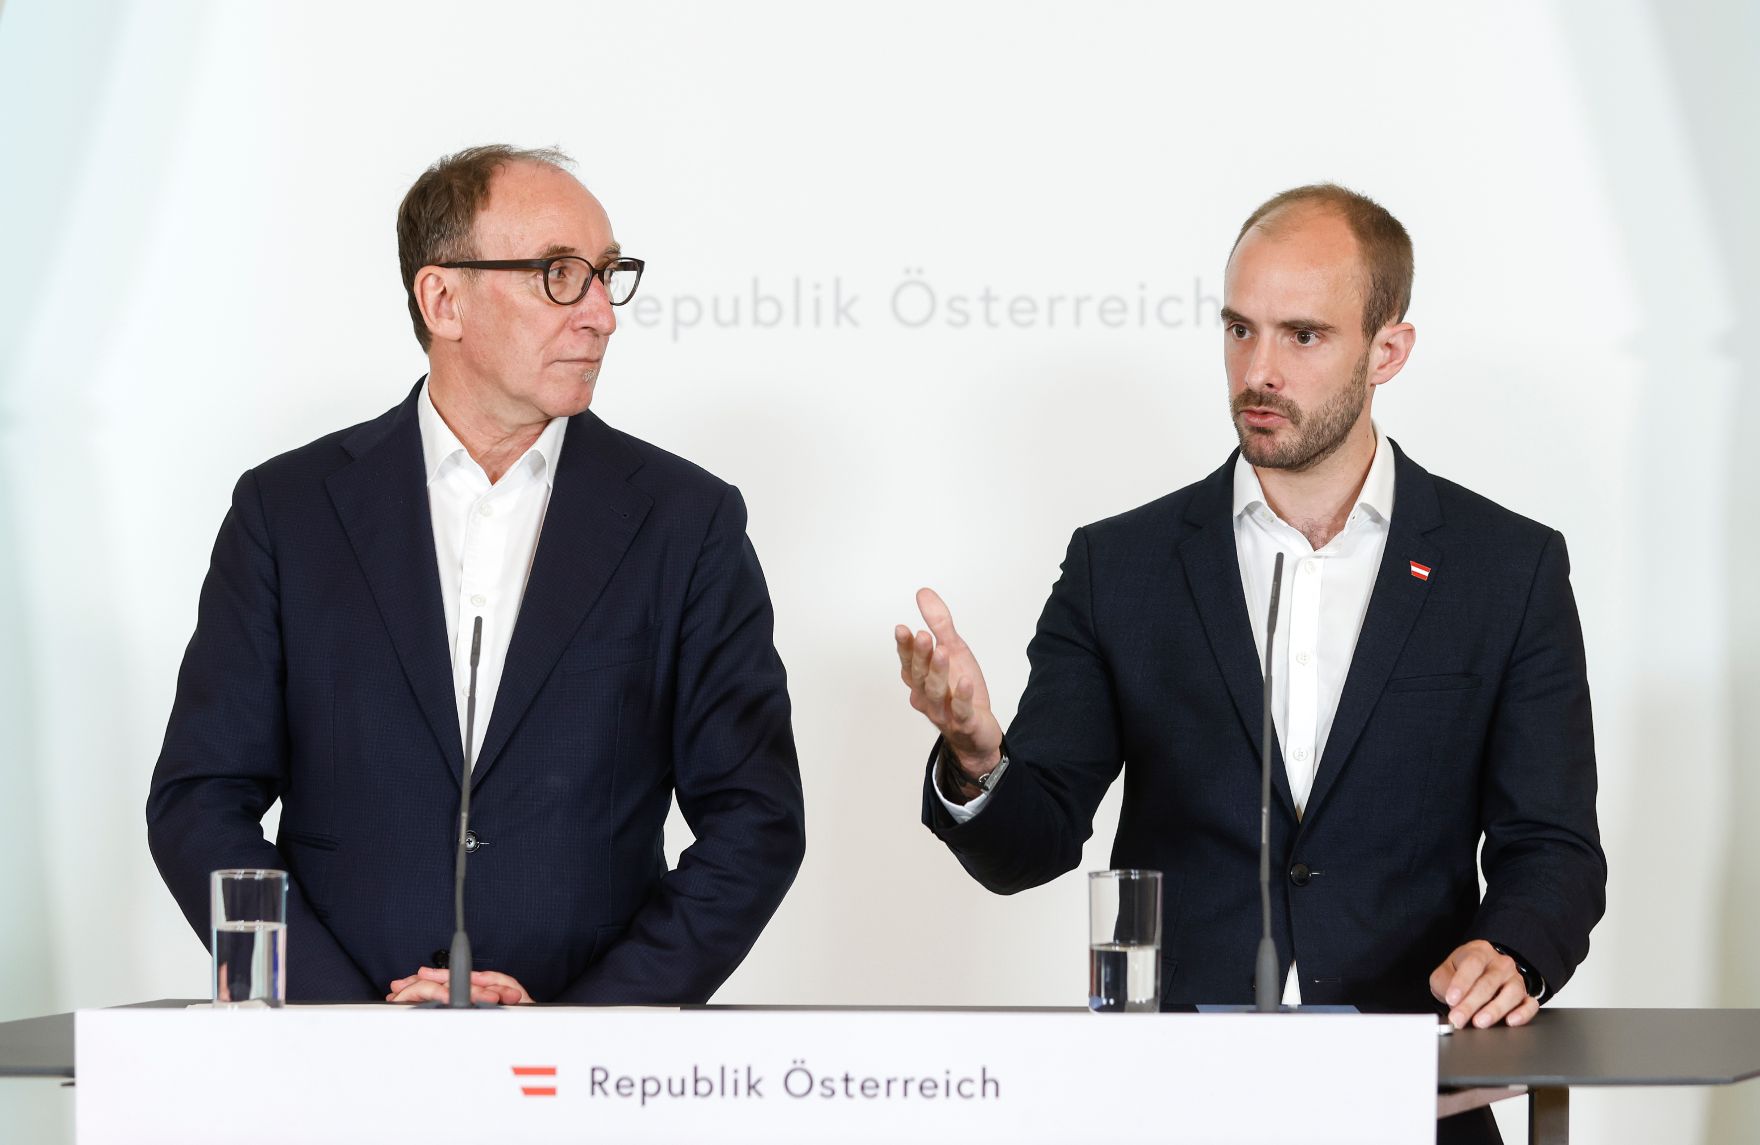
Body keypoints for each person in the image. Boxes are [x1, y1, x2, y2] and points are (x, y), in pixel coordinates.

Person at [895, 184, 1605, 1031]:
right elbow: (1031, 846)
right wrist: (977, 754)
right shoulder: (1121, 566)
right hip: (1174, 1086)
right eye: (1240, 329)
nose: (1258, 370)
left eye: (1303, 335)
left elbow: (1554, 847)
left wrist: (1511, 952)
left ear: (1388, 350)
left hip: (1416, 1070)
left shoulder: (1505, 568)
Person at [147, 144, 806, 1005]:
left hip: (591, 1084)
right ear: (443, 298)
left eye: (609, 275)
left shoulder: (688, 522)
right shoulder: (288, 510)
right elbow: (200, 807)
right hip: (329, 1073)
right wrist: (327, 1016)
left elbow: (756, 824)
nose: (602, 314)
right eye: (561, 275)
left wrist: (589, 1031)